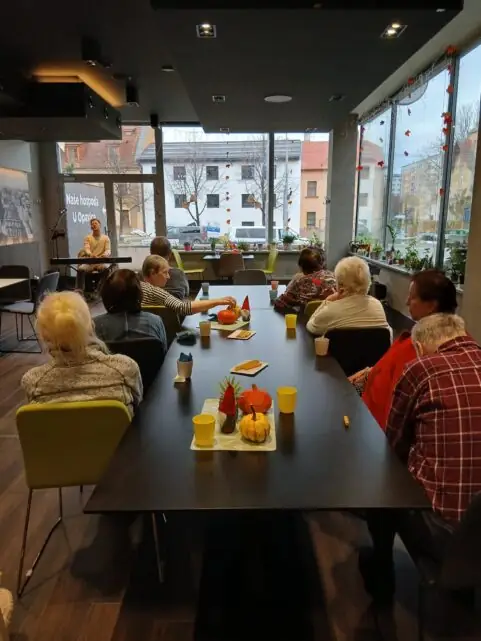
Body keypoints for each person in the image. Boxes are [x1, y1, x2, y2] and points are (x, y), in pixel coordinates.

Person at [361, 314, 481, 604]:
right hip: (475, 526)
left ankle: (381, 578)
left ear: (420, 346)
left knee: (384, 483)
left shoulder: (421, 368)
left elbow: (393, 442)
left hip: (449, 536)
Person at [350, 269, 458, 430]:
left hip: (372, 425)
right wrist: (368, 373)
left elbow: (394, 414)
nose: (407, 302)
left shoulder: (420, 348)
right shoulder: (450, 339)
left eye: (412, 297)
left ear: (431, 306)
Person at [21, 291, 142, 418]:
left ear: (44, 336)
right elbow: (137, 408)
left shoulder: (33, 382)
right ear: (90, 325)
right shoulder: (125, 369)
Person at [306, 256, 389, 336]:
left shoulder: (331, 310)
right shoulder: (378, 306)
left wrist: (327, 301)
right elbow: (388, 336)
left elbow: (312, 327)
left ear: (341, 285)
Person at [94, 269, 168, 355]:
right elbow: (164, 354)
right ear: (139, 294)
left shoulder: (94, 325)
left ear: (106, 295)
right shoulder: (155, 321)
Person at [140, 255, 236, 316]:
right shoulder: (155, 292)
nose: (168, 276)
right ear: (152, 273)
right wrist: (219, 301)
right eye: (165, 272)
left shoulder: (138, 287)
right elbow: (184, 308)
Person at [273, 247, 336, 313]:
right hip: (330, 315)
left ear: (301, 267)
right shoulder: (333, 277)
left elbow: (281, 301)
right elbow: (318, 282)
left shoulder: (300, 280)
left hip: (306, 317)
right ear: (322, 263)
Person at [76, 218, 111, 291]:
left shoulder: (106, 238)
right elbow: (87, 248)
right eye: (92, 224)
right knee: (80, 269)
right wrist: (91, 254)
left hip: (100, 262)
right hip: (90, 263)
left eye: (95, 223)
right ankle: (79, 290)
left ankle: (101, 289)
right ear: (91, 227)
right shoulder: (88, 238)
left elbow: (108, 250)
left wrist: (105, 254)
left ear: (99, 225)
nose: (94, 225)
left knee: (107, 270)